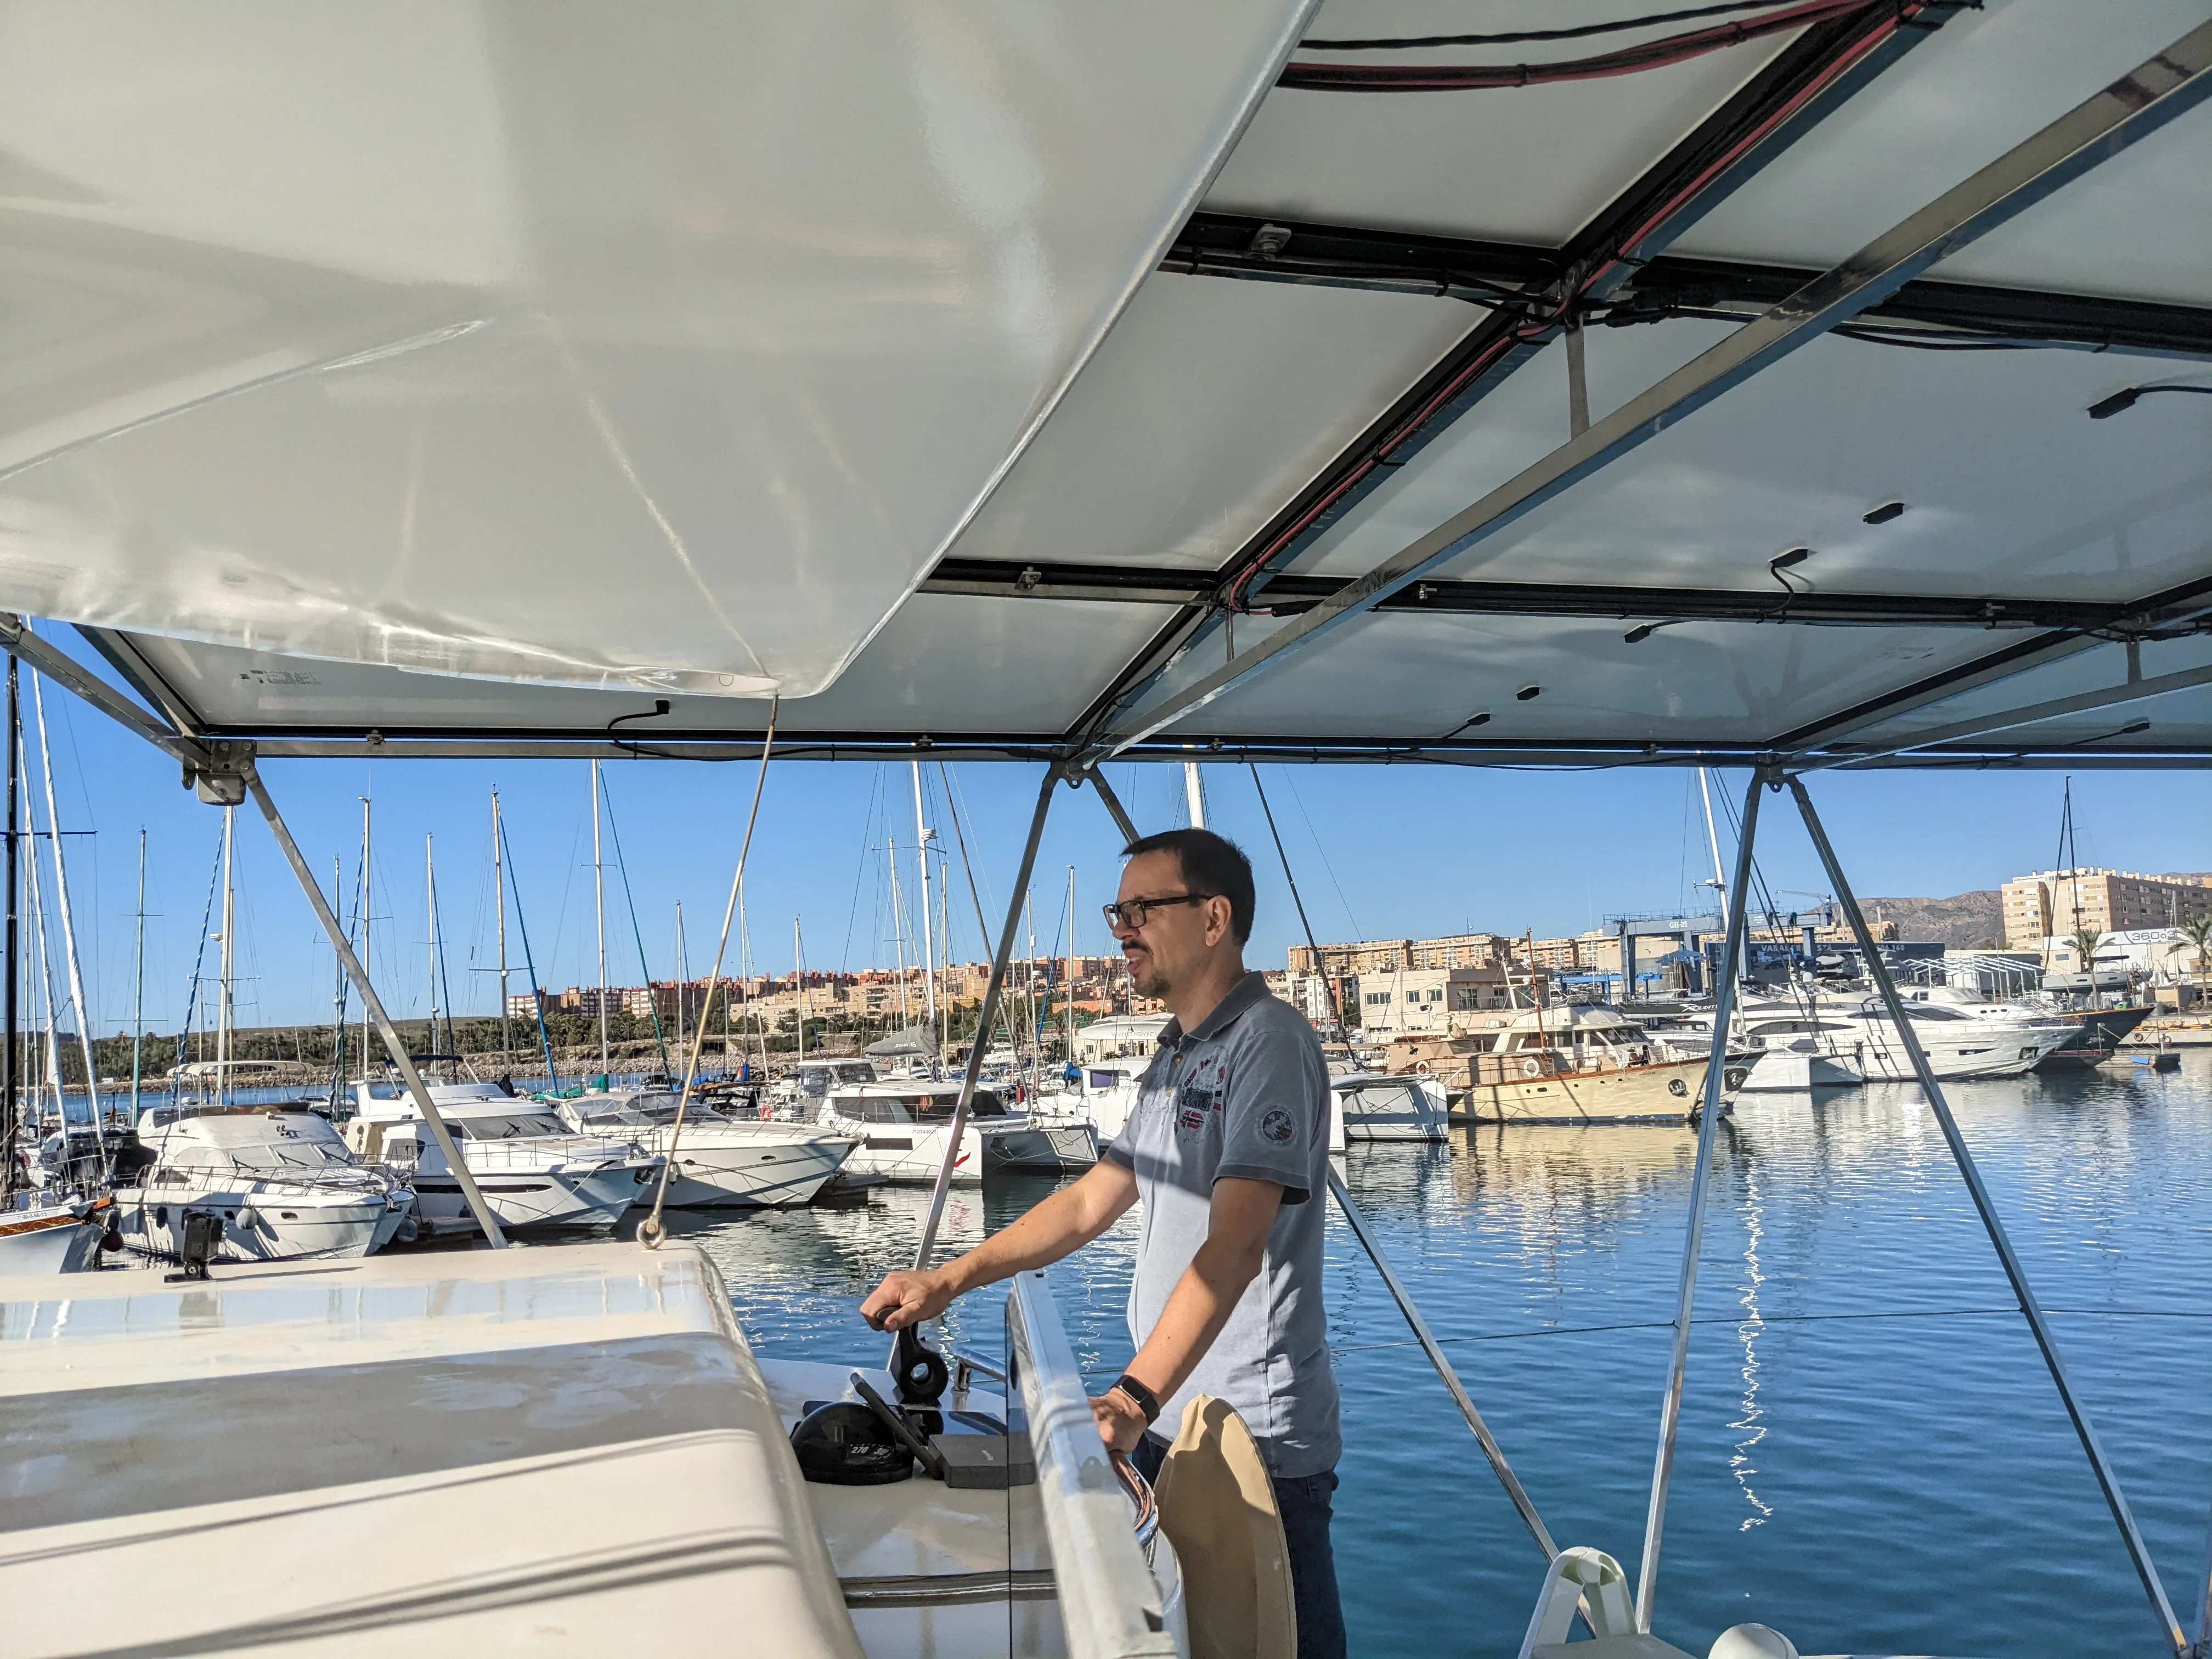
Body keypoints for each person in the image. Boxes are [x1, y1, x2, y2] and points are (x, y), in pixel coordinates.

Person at [861, 828, 1344, 1657]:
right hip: (1166, 1416)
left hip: (1249, 1440)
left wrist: (1129, 1399)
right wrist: (949, 1279)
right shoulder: (1177, 1054)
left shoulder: (1268, 1042)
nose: (1122, 929)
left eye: (1142, 909)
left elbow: (1234, 1247)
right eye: (1117, 912)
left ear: (1214, 918)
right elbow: (1090, 1203)